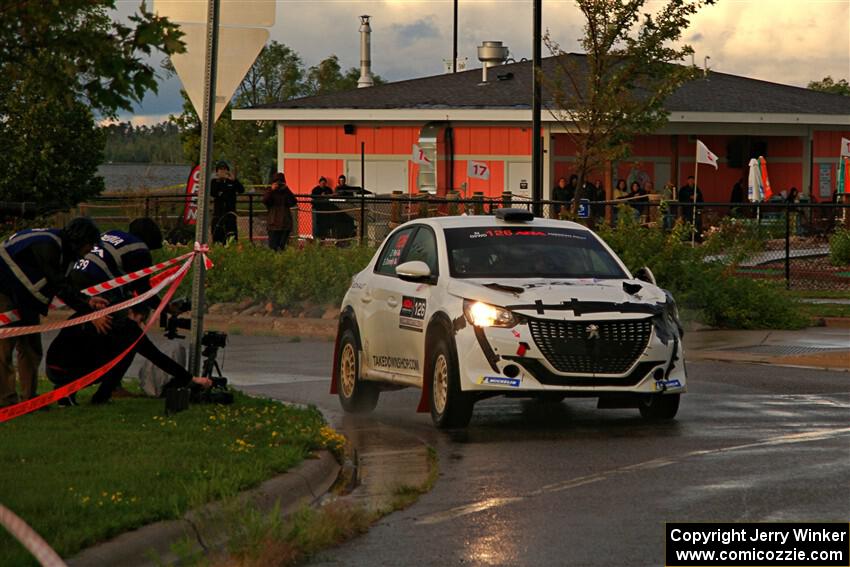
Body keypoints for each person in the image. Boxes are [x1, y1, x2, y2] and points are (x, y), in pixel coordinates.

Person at [0, 218, 108, 406]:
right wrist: (90, 314)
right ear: (80, 240)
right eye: (90, 245)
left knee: (31, 347)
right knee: (4, 347)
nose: (90, 250)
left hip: (23, 294)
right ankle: (6, 400)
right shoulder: (49, 246)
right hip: (3, 288)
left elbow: (66, 284)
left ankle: (30, 400)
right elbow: (59, 286)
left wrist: (87, 301)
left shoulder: (64, 250)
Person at [46, 305, 211, 406]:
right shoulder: (130, 330)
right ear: (132, 313)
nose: (141, 325)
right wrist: (191, 379)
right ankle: (96, 396)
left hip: (52, 366)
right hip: (71, 371)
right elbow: (157, 358)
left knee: (94, 351)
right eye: (142, 320)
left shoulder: (97, 314)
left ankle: (68, 392)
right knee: (125, 354)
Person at [210, 161, 245, 244]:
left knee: (231, 235)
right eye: (220, 170)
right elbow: (214, 193)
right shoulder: (214, 182)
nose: (222, 172)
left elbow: (241, 190)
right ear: (217, 172)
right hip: (218, 213)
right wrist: (220, 181)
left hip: (230, 213)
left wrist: (234, 180)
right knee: (218, 235)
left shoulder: (232, 182)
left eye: (224, 169)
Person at [263, 172, 297, 251]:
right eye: (277, 182)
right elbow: (265, 201)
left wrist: (286, 189)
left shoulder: (286, 192)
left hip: (285, 223)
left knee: (282, 246)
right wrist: (272, 190)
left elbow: (293, 202)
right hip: (273, 223)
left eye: (281, 182)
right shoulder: (270, 191)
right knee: (273, 247)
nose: (279, 184)